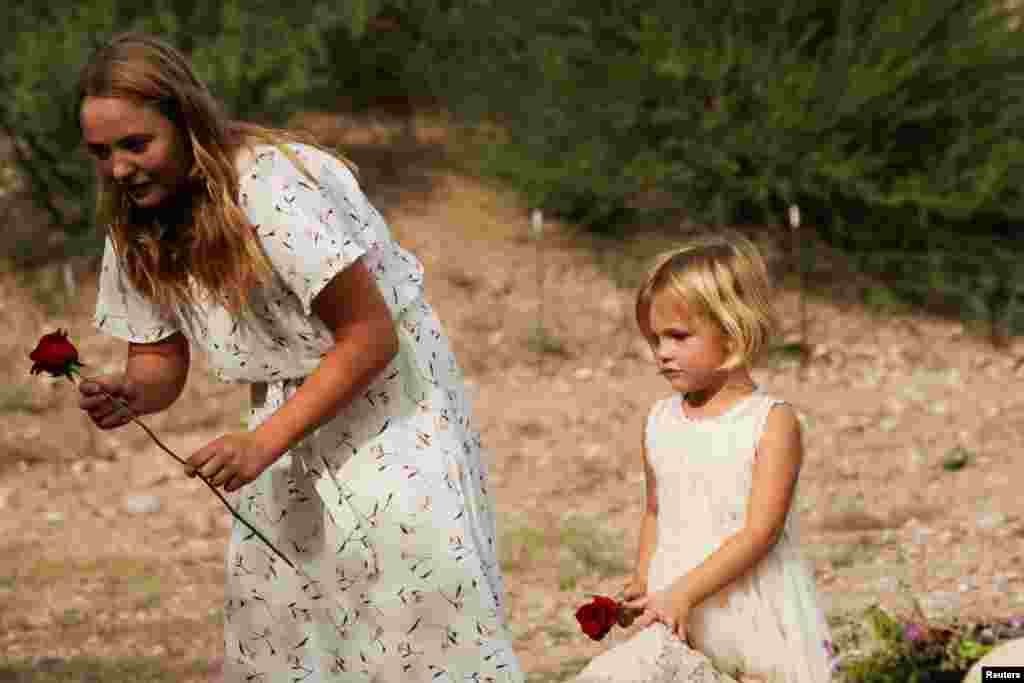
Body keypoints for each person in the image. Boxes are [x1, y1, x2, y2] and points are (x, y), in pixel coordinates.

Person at [74, 32, 523, 682]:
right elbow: (159, 358)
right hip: (284, 417)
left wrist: (263, 442)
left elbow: (370, 335)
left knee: (410, 607)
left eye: (135, 144)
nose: (118, 168)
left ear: (186, 121)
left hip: (387, 403)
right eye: (100, 152)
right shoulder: (136, 218)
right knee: (288, 616)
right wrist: (132, 391)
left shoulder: (269, 189)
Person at [571, 232, 832, 683]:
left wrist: (685, 593)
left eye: (677, 336)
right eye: (654, 339)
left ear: (733, 335)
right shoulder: (658, 421)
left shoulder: (771, 422)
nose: (662, 353)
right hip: (680, 600)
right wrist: (644, 578)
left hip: (751, 604)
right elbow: (655, 509)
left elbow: (761, 532)